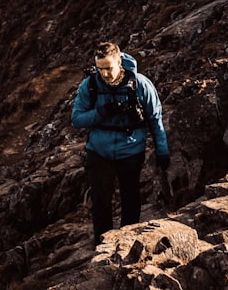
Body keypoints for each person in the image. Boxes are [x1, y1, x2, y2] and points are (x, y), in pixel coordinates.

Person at [71, 41, 170, 247]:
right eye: (100, 69)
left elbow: (155, 118)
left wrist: (162, 151)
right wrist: (102, 112)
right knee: (101, 202)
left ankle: (128, 243)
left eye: (109, 68)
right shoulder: (90, 85)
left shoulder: (141, 84)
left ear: (119, 63)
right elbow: (77, 119)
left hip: (130, 151)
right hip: (99, 152)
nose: (105, 74)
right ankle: (102, 247)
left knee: (130, 198)